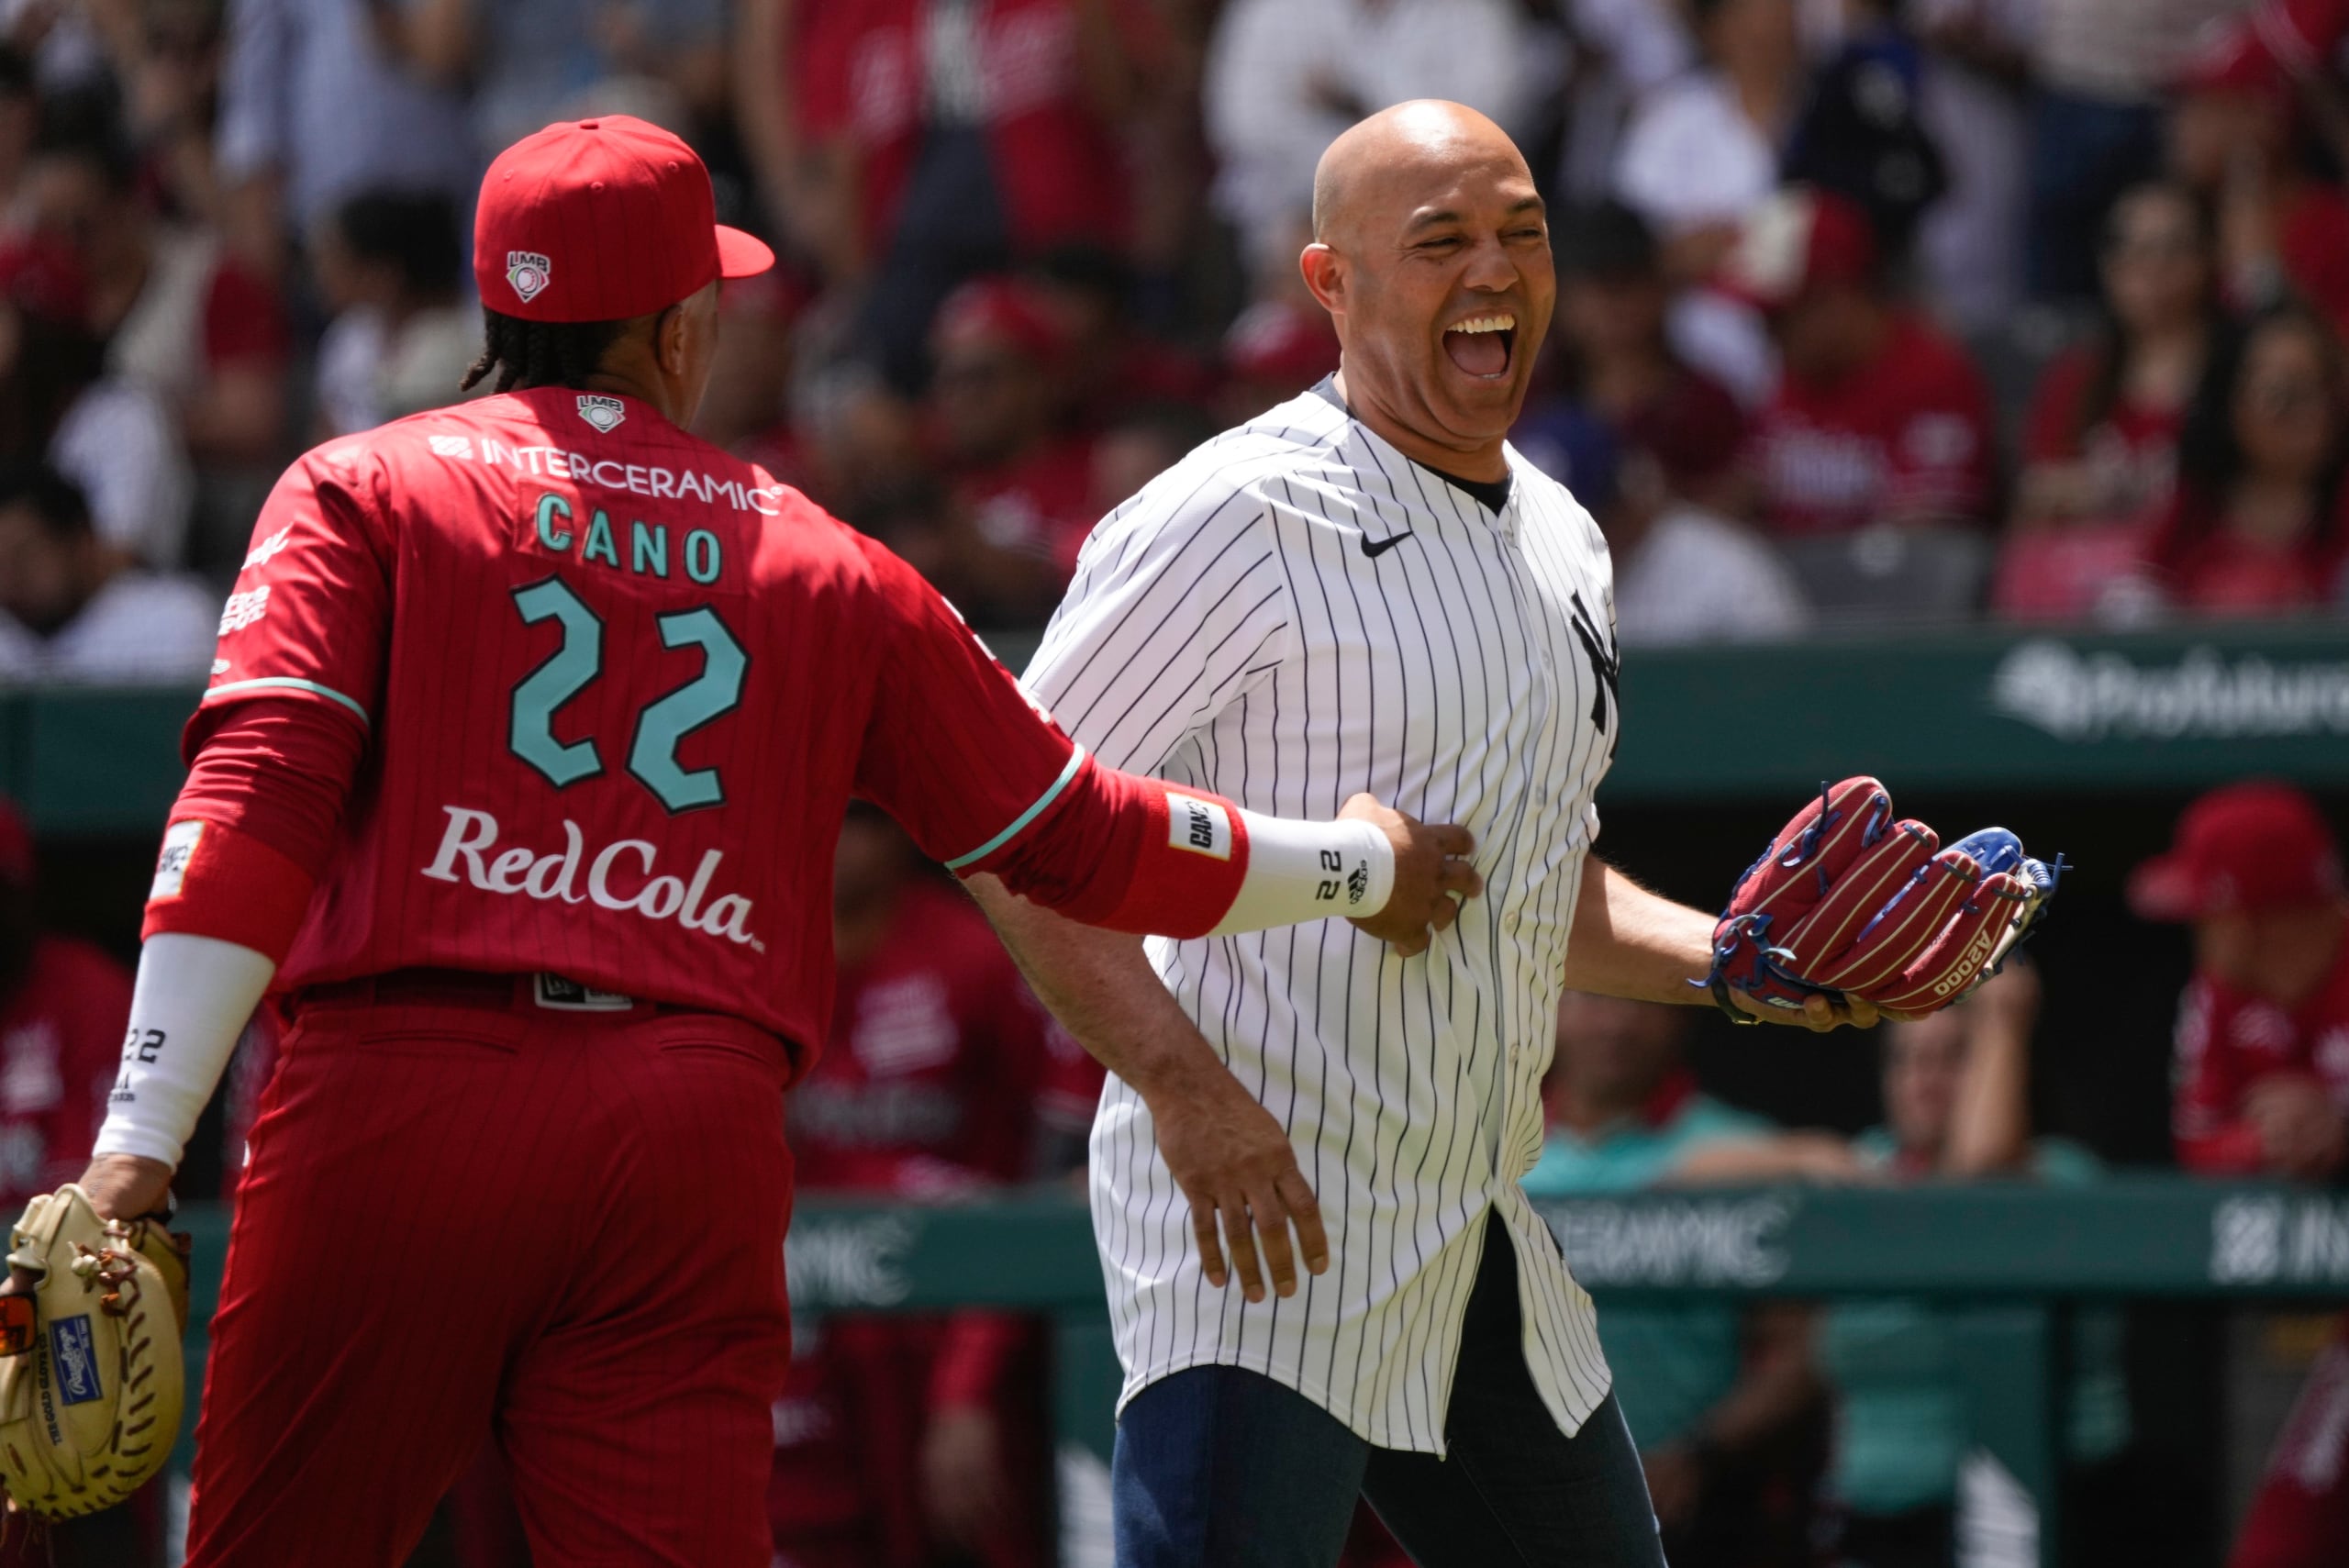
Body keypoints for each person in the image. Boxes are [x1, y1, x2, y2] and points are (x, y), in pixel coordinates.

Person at [72, 115, 1475, 1568]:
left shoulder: (360, 484)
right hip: (688, 1124)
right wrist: (1360, 863)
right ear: (684, 330)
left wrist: (137, 1141)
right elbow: (1082, 836)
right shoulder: (825, 557)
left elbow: (255, 790)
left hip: (400, 1094)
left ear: (500, 309)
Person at [971, 100, 1883, 1568]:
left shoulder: (1567, 537)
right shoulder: (1235, 512)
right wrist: (1185, 1097)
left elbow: (1533, 884)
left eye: (1521, 233)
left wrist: (1735, 959)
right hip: (1262, 1229)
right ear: (1331, 284)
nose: (1494, 272)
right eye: (1440, 240)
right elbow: (1015, 826)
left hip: (1469, 1232)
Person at [768, 806, 1092, 1568]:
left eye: (868, 821)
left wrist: (967, 1382)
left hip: (951, 1320)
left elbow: (1039, 1169)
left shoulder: (969, 955)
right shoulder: (748, 947)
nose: (843, 844)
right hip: (796, 1313)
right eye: (832, 817)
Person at [1800, 965, 2132, 1568]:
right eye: (1906, 1059)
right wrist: (1807, 1153)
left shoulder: (2061, 1174)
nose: (1924, 1079)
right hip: (1874, 1517)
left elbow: (1977, 1174)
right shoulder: (1864, 1167)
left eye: (1953, 1056)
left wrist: (2002, 1019)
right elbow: (1676, 1176)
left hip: (2041, 1506)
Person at [1523, 992, 1829, 1568]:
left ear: (1681, 1017)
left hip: (1698, 1510)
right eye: (1595, 1000)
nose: (1617, 1022)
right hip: (1521, 1500)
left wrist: (1699, 1452)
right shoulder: (1491, 1157)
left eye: (1644, 1001)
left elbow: (1806, 1353)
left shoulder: (1744, 1152)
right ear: (1549, 1007)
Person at [2132, 781, 2349, 1568]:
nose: (2197, 929)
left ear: (2251, 917)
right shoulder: (2220, 994)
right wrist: (2270, 1139)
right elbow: (2199, 1140)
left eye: (2209, 910)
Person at [1724, 185, 1998, 546]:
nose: (1766, 335)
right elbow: (1748, 492)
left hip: (1892, 596)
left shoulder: (1932, 374)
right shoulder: (1794, 372)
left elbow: (1922, 544)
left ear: (1837, 298)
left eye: (1778, 318)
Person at [1998, 182, 2219, 621]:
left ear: (2208, 258)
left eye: (2171, 247)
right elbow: (2030, 520)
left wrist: (2119, 495)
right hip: (2087, 596)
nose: (2149, 267)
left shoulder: (2235, 373)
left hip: (2200, 591)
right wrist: (2051, 497)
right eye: (2128, 248)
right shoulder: (2077, 379)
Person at [1524, 199, 1746, 509]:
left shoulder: (1704, 406)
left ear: (1660, 289)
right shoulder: (1532, 397)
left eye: (1627, 282)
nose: (1612, 305)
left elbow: (1739, 505)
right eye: (1593, 286)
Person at [2135, 306, 2349, 614]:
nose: (2305, 415)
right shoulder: (2190, 511)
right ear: (2230, 401)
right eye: (2279, 394)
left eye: (2318, 392)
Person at [0, 462, 217, 684]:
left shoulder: (174, 618)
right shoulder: (6, 636)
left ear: (82, 542)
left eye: (23, 557)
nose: (7, 582)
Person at [310, 189, 483, 438]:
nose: (322, 275)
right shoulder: (348, 339)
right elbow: (323, 436)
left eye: (335, 260)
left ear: (383, 273)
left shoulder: (472, 335)